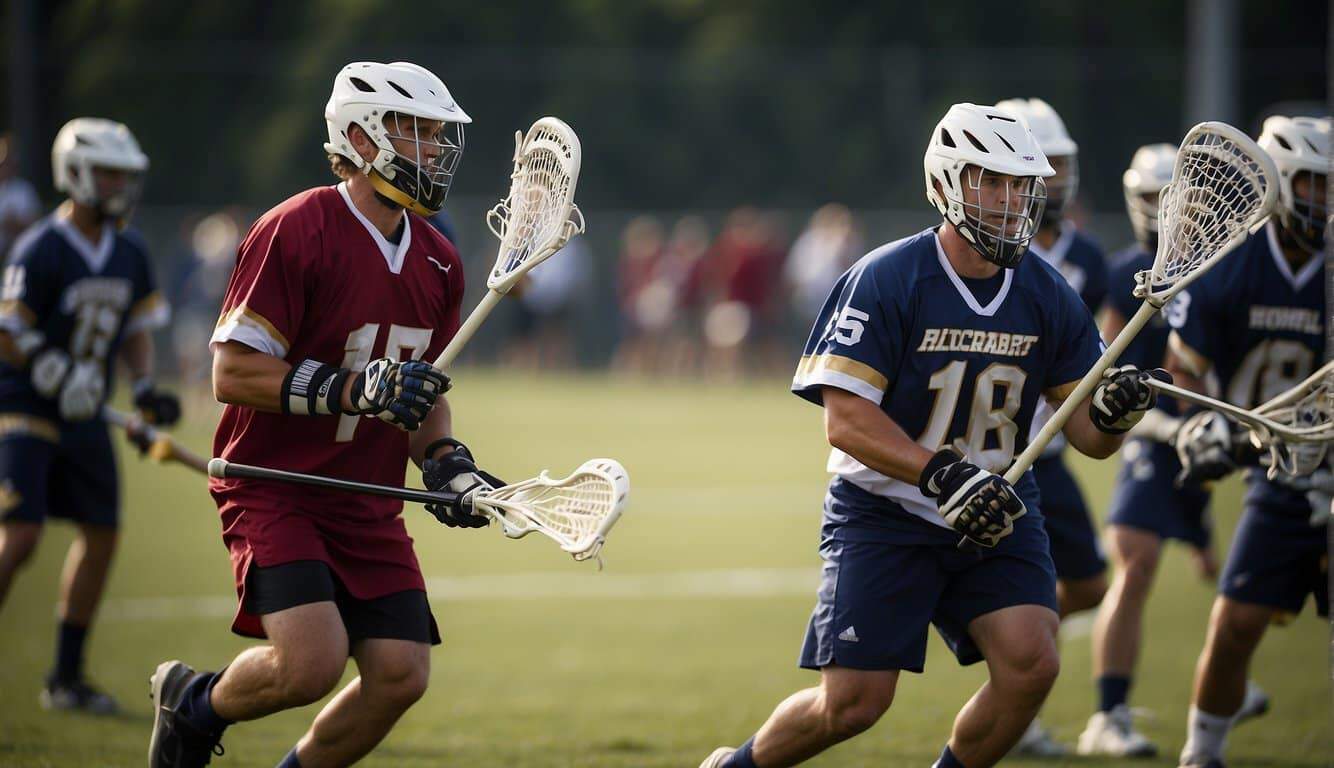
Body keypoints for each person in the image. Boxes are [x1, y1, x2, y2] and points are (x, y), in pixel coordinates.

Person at [700, 102, 1166, 768]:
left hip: (997, 507)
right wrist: (941, 475)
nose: (1009, 202)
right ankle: (739, 765)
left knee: (1032, 664)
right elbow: (846, 418)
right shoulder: (888, 278)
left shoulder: (1048, 292)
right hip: (887, 511)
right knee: (853, 704)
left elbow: (1089, 438)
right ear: (948, 183)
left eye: (1019, 185)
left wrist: (1117, 414)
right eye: (990, 181)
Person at [146, 61, 504, 768]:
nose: (432, 150)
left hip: (364, 500)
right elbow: (232, 371)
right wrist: (348, 391)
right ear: (362, 138)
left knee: (401, 674)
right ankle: (192, 704)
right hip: (276, 483)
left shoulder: (439, 260)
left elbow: (421, 396)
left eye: (437, 136)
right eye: (416, 132)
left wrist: (446, 463)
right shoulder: (296, 228)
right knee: (310, 664)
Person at [0, 117, 175, 713]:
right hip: (25, 405)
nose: (120, 186)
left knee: (101, 532)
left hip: (87, 411)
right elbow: (10, 329)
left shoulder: (129, 249)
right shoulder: (40, 247)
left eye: (126, 175)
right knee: (20, 538)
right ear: (74, 175)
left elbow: (136, 328)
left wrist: (146, 385)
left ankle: (66, 677)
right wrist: (47, 368)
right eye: (108, 173)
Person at [1171, 115, 1328, 768]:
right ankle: (1201, 754)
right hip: (1279, 464)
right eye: (1311, 185)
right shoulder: (1229, 260)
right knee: (1235, 624)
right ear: (1278, 183)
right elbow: (1184, 368)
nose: (1323, 200)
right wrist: (1203, 420)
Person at [995, 96, 1110, 756]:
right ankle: (1012, 689)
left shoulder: (1086, 257)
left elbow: (1094, 348)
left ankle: (1012, 670)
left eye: (1063, 163)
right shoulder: (983, 252)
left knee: (1090, 581)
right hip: (989, 446)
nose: (1058, 179)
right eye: (1047, 164)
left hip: (1051, 445)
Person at [0, 132, 41, 259]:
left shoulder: (24, 190)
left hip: (18, 256)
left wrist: (14, 224)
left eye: (9, 160)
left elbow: (37, 226)